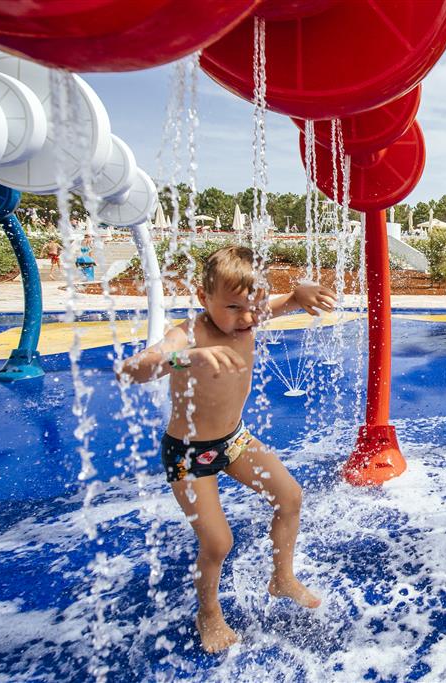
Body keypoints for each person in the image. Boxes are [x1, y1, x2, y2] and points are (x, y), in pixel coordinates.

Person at [117, 245, 337, 653]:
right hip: (187, 455)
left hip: (234, 441)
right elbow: (129, 372)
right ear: (204, 298)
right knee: (218, 543)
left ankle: (282, 578)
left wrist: (298, 294)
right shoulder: (188, 335)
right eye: (234, 307)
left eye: (254, 307)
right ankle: (209, 614)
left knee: (290, 497)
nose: (249, 318)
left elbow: (287, 301)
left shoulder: (248, 317)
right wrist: (187, 360)